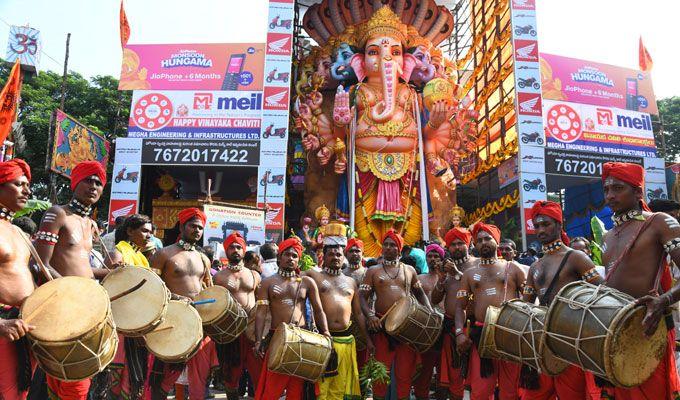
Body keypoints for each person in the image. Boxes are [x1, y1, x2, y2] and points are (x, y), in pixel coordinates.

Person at [597, 162, 680, 398]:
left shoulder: (658, 222)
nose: (610, 195)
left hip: (647, 328)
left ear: (638, 192)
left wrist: (664, 300)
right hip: (614, 331)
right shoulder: (608, 236)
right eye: (606, 190)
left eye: (618, 188)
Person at [34, 161, 108, 399]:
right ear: (75, 183)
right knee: (73, 378)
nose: (94, 187)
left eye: (98, 183)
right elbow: (39, 263)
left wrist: (112, 274)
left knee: (67, 380)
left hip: (85, 306)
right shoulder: (57, 213)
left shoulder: (91, 224)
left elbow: (81, 267)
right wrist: (71, 292)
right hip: (62, 305)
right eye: (88, 180)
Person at [521, 201, 603, 399]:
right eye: (537, 225)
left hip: (573, 341)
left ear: (559, 225)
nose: (541, 229)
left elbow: (603, 293)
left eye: (546, 224)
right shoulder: (535, 267)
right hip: (544, 342)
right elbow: (526, 307)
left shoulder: (576, 257)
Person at [147, 208, 215, 400]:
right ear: (182, 226)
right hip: (172, 320)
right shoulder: (164, 254)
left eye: (200, 228)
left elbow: (208, 288)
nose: (197, 230)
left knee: (199, 377)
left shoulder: (204, 259)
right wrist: (177, 299)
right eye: (193, 226)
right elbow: (152, 288)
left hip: (198, 322)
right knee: (163, 375)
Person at [359, 229, 433, 400]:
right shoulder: (373, 271)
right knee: (380, 375)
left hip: (405, 329)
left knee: (404, 375)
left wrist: (429, 311)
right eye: (385, 244)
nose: (388, 248)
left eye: (393, 245)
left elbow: (420, 293)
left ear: (399, 249)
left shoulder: (409, 271)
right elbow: (362, 297)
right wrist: (371, 316)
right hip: (382, 329)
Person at [455, 222, 525, 400]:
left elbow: (530, 302)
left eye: (488, 238)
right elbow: (459, 307)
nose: (483, 243)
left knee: (510, 391)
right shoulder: (469, 274)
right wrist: (459, 334)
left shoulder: (513, 268)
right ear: (475, 245)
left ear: (496, 241)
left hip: (510, 334)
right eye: (479, 240)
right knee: (481, 390)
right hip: (482, 336)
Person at [253, 237, 330, 400]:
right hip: (276, 337)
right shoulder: (267, 282)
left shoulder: (307, 282)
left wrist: (326, 333)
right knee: (272, 389)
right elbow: (261, 313)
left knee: (297, 390)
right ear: (279, 257)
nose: (290, 258)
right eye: (287, 254)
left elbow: (318, 310)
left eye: (294, 256)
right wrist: (258, 340)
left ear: (299, 260)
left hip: (302, 338)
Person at [303, 227, 372, 400]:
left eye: (339, 254)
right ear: (324, 257)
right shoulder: (314, 276)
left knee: (341, 387)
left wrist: (368, 340)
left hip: (347, 341)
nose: (335, 257)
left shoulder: (351, 282)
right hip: (323, 341)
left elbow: (358, 314)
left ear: (344, 258)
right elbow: (293, 276)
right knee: (322, 389)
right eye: (331, 254)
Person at [0, 159, 42, 400]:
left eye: (28, 185)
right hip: (4, 326)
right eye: (19, 184)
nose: (27, 191)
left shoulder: (17, 231)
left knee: (19, 394)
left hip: (24, 325)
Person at [104, 214, 153, 400]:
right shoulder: (119, 251)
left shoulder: (142, 257)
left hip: (137, 321)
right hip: (122, 323)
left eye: (150, 232)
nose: (149, 235)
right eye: (145, 231)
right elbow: (110, 287)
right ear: (130, 231)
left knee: (133, 380)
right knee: (116, 379)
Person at [212, 232, 262, 400]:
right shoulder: (218, 277)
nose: (235, 250)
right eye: (231, 247)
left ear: (244, 250)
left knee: (258, 373)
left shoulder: (254, 275)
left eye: (239, 247)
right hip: (230, 332)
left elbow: (262, 304)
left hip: (252, 330)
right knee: (230, 375)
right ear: (226, 251)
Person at [431, 228, 478, 400]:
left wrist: (458, 275)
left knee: (479, 376)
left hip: (475, 328)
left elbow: (478, 291)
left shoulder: (478, 264)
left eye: (460, 243)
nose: (457, 247)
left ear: (469, 244)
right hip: (452, 330)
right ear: (448, 248)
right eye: (453, 244)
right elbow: (435, 300)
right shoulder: (446, 269)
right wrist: (442, 280)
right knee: (455, 376)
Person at [413, 242, 447, 400]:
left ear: (442, 258)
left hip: (445, 330)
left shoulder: (449, 279)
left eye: (436, 256)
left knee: (444, 374)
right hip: (425, 331)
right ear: (425, 258)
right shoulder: (419, 279)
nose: (432, 259)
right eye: (430, 256)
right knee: (424, 374)